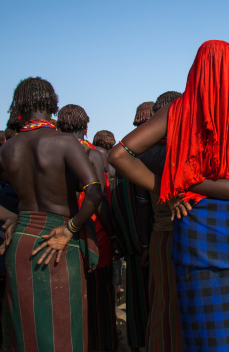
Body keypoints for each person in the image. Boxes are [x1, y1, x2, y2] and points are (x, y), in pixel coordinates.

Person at [109, 40, 229, 352]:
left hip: (191, 235)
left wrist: (169, 189)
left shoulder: (175, 112)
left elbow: (119, 154)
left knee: (197, 333)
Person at [0, 77, 101, 351]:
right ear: (51, 103)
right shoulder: (65, 143)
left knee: (28, 330)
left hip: (21, 240)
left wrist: (12, 218)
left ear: (20, 104)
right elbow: (94, 193)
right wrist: (71, 228)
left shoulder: (8, 148)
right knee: (65, 330)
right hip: (58, 242)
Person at [57, 104, 119, 352]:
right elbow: (100, 200)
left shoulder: (51, 149)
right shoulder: (93, 155)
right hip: (94, 234)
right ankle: (103, 344)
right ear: (85, 127)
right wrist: (115, 234)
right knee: (100, 299)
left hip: (62, 233)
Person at [135, 90, 184, 352]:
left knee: (161, 300)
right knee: (184, 300)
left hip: (159, 236)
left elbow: (143, 207)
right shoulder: (187, 150)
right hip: (187, 235)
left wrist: (144, 244)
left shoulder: (145, 154)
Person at [111, 101, 155, 352]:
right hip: (147, 241)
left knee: (140, 299)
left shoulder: (128, 155)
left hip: (134, 243)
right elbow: (140, 204)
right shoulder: (143, 156)